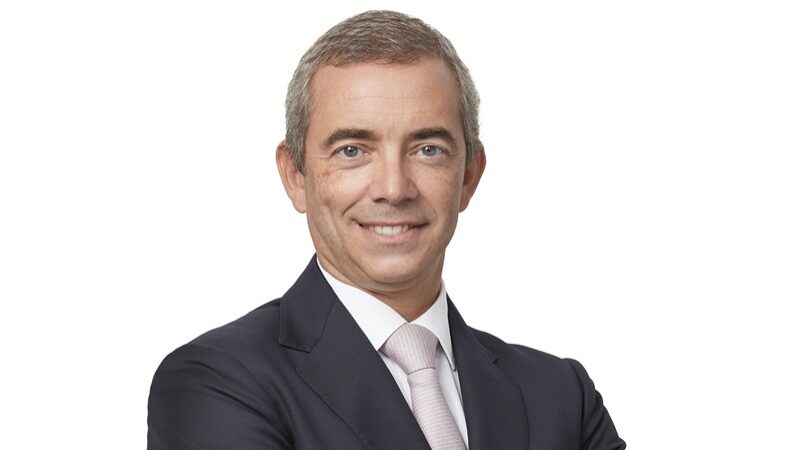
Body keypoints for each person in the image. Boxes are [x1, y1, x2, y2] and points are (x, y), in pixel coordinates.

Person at [147, 10, 626, 450]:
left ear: (468, 177)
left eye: (428, 149)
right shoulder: (215, 382)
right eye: (352, 151)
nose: (393, 189)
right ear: (296, 176)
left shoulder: (561, 396)